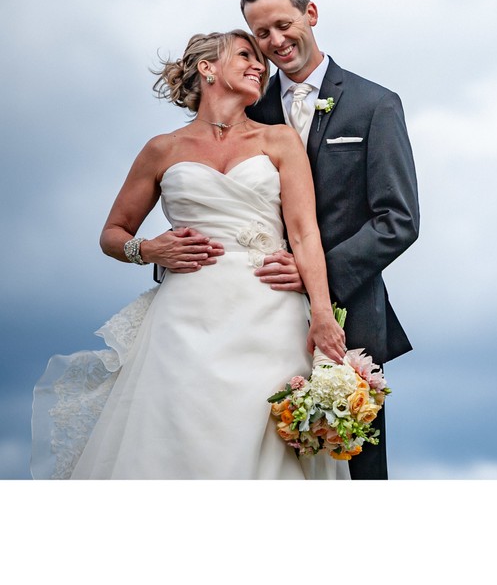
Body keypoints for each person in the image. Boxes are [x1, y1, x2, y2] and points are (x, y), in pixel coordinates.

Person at [31, 29, 346, 479]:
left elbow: (304, 232)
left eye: (261, 59)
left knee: (265, 437)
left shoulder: (279, 141)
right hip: (182, 320)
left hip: (270, 312)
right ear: (207, 67)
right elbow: (112, 233)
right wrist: (149, 248)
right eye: (245, 55)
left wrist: (322, 314)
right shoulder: (162, 149)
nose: (261, 64)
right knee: (177, 435)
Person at [241, 0, 419, 480]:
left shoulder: (374, 104)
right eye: (261, 33)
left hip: (349, 315)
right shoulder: (249, 111)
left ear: (310, 15)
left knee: (355, 471)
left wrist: (313, 272)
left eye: (283, 24)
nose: (275, 41)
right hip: (257, 312)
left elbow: (399, 220)